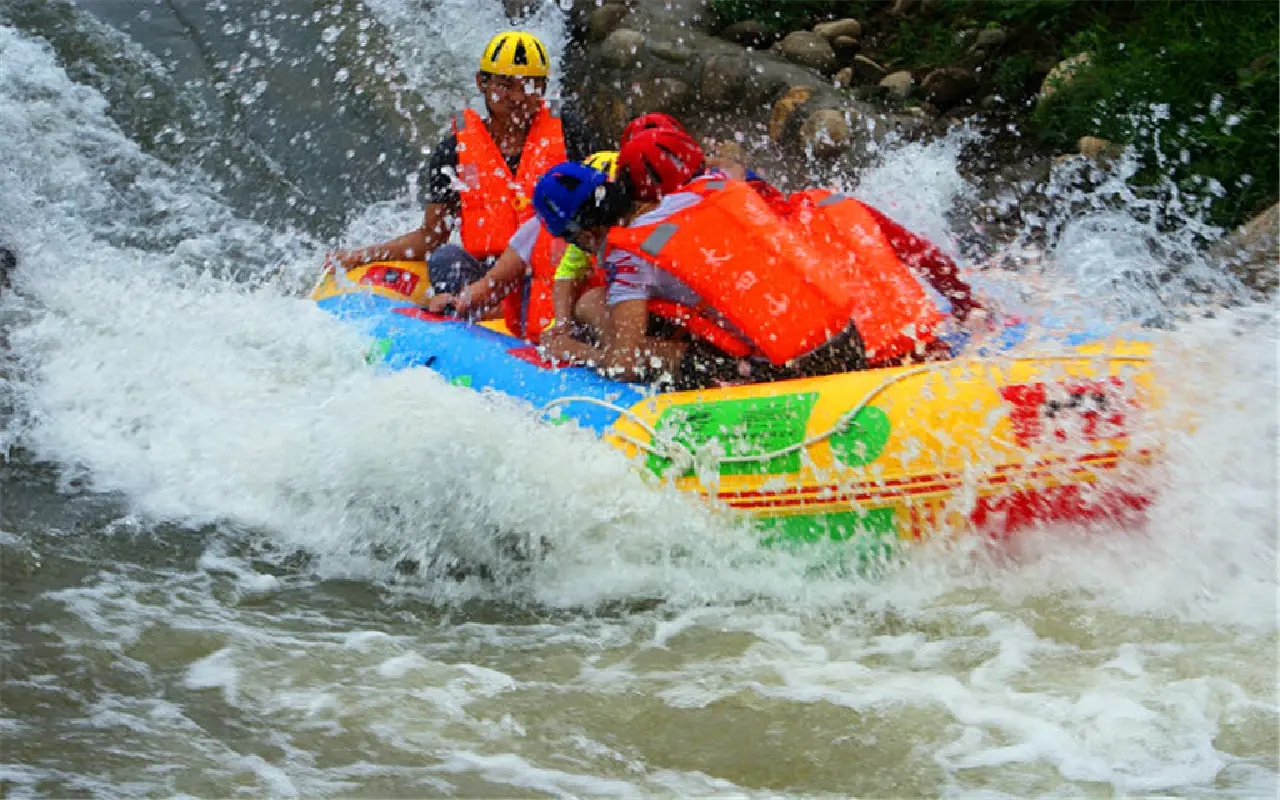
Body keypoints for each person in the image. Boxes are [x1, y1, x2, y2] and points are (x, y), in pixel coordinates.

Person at [325, 31, 597, 295]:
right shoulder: (454, 151)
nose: (517, 98)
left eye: (529, 86)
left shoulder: (568, 133)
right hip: (489, 278)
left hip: (555, 272)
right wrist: (359, 256)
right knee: (445, 258)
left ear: (544, 89)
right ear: (482, 83)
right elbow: (431, 237)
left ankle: (481, 310)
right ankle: (483, 310)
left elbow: (601, 209)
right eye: (505, 85)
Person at [422, 151, 620, 343]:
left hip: (609, 332)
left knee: (592, 303)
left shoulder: (640, 235)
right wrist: (457, 302)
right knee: (445, 257)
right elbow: (495, 282)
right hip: (539, 340)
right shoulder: (544, 226)